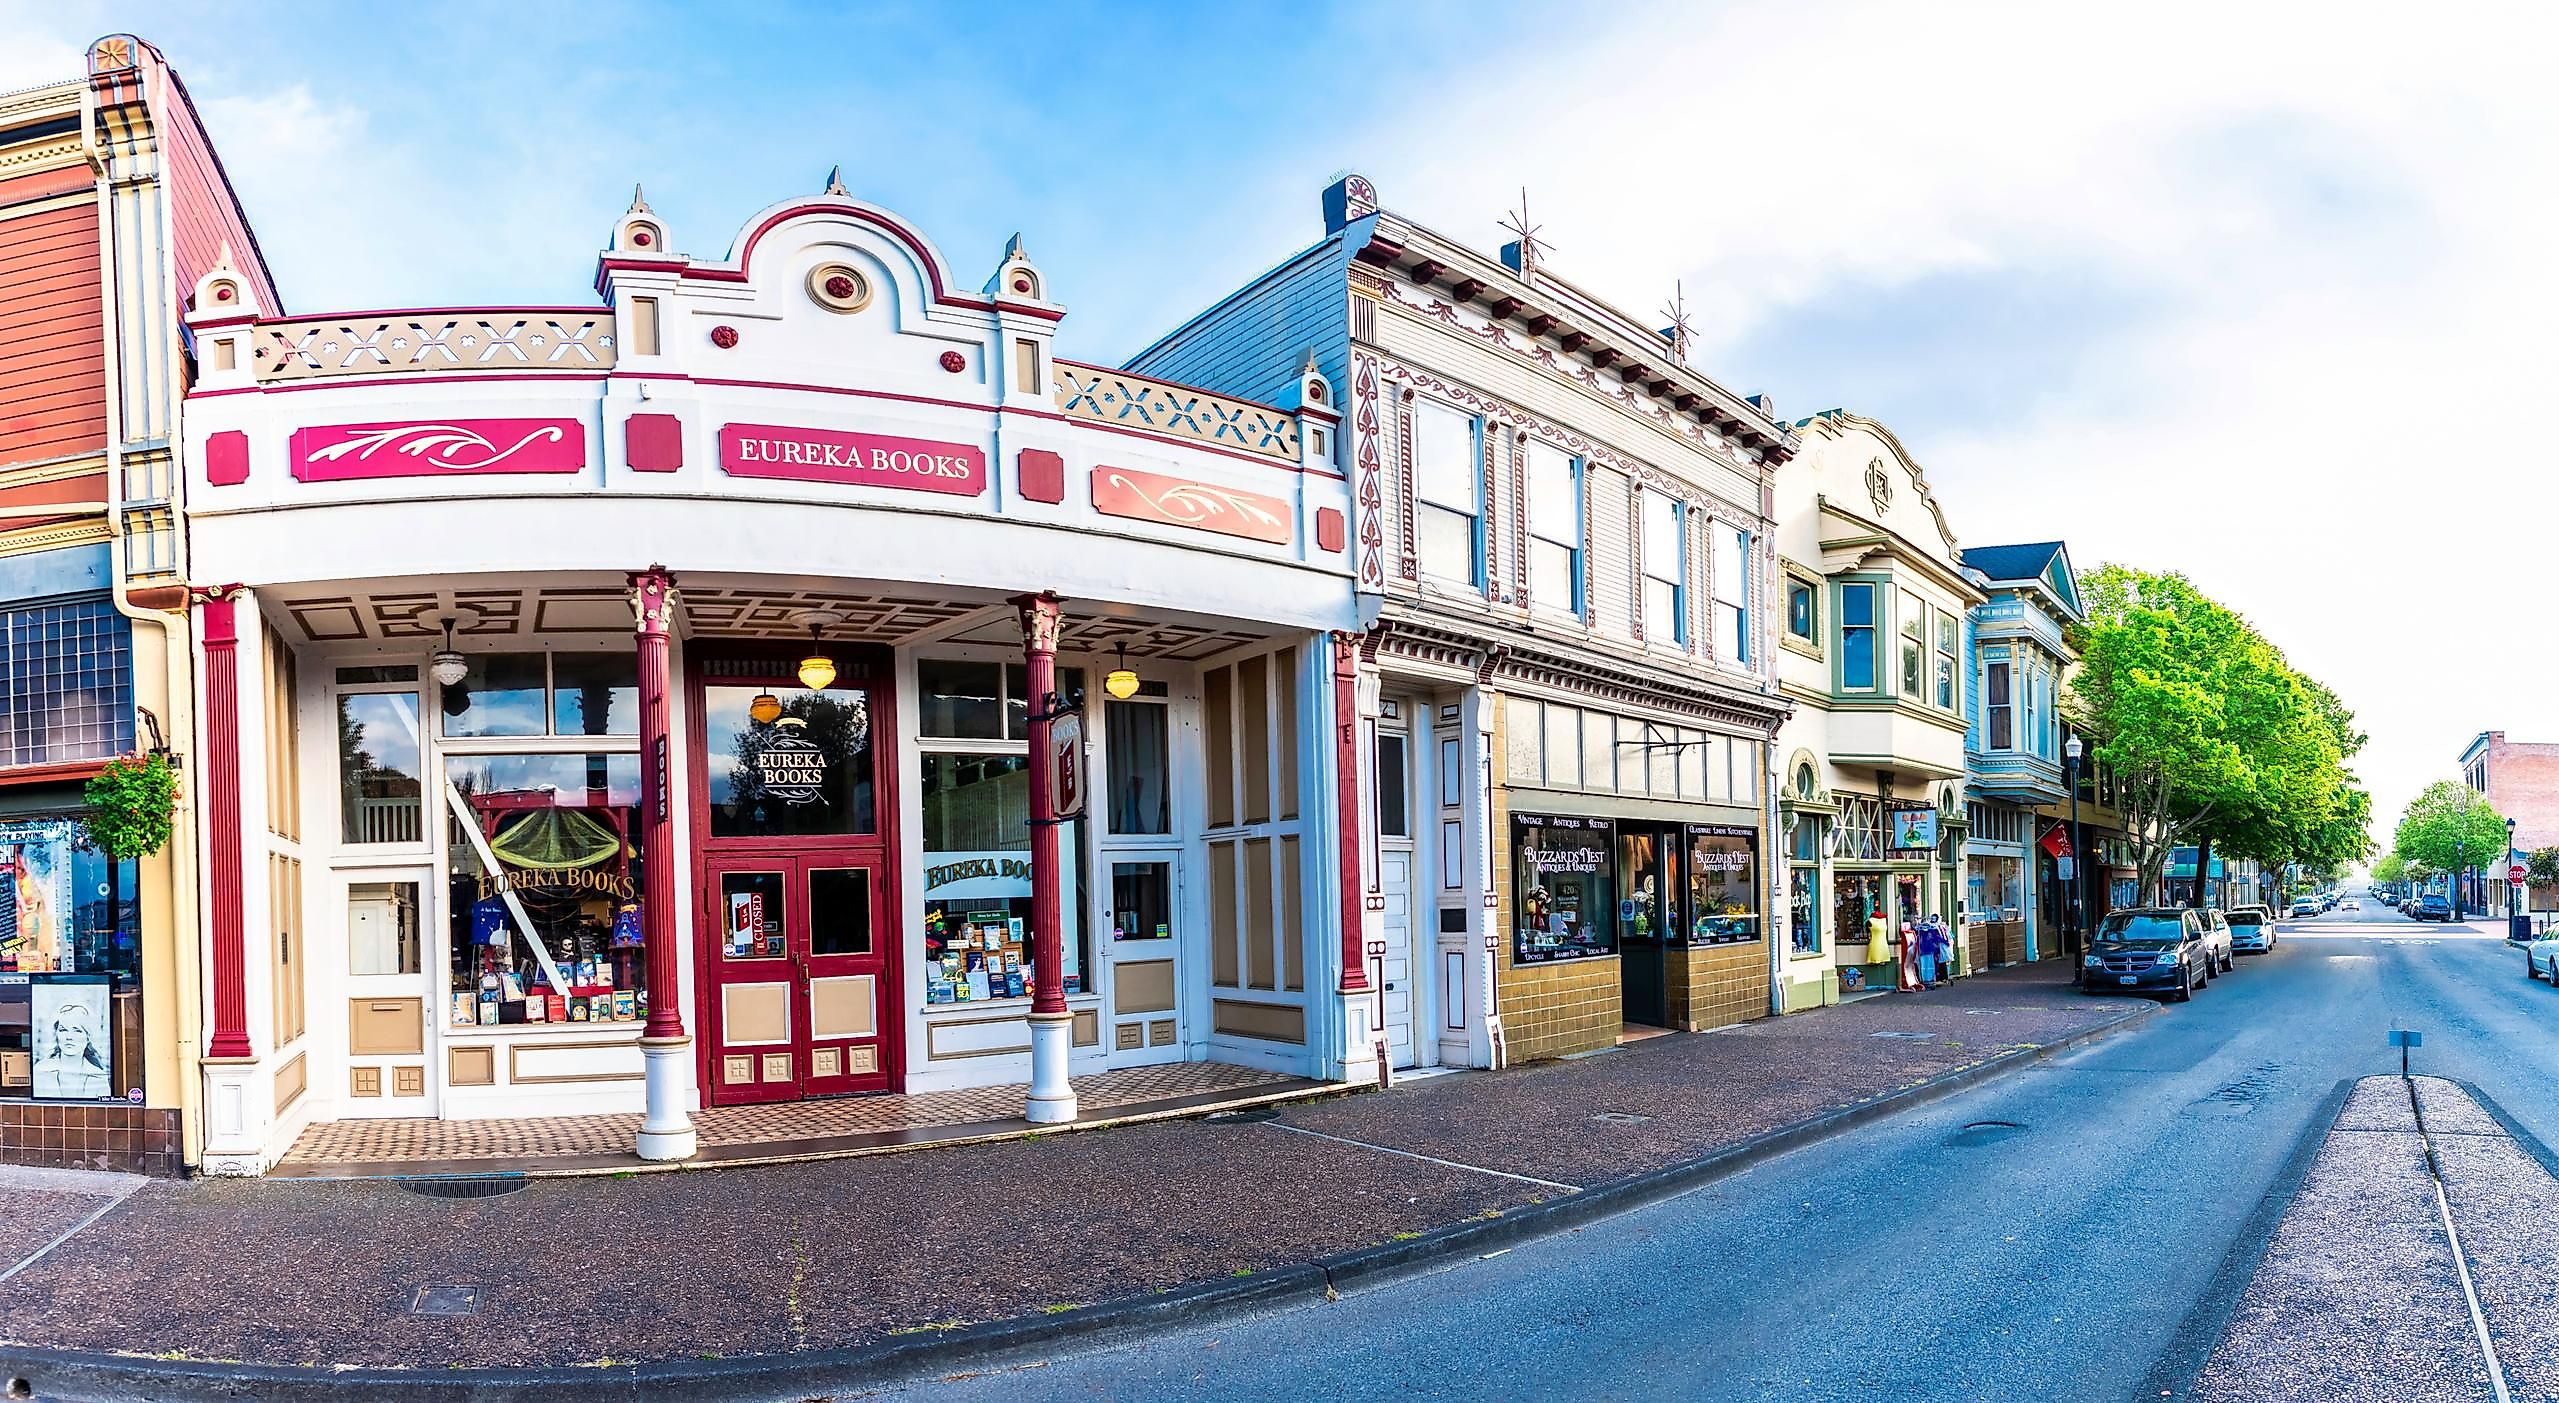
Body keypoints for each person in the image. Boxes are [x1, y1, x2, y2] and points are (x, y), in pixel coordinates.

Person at [32, 998, 109, 1099]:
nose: (69, 1037)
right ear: (57, 1034)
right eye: (63, 1030)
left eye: (77, 1031)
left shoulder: (99, 1077)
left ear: (88, 1037)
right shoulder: (40, 1071)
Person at [1916, 914, 1953, 989]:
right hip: (1929, 951)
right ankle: (1929, 979)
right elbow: (1944, 939)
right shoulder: (1924, 930)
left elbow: (1944, 939)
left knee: (1929, 965)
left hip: (1929, 951)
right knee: (1928, 965)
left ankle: (1929, 979)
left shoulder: (1938, 928)